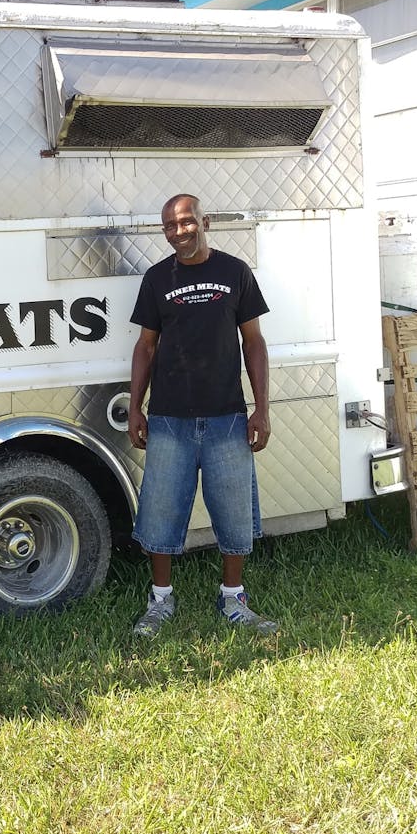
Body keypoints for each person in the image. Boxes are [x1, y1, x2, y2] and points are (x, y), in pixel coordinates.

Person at [127, 193, 276, 637]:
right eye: (170, 226)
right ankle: (160, 602)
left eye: (187, 223)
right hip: (169, 419)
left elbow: (254, 343)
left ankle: (233, 599)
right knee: (160, 511)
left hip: (227, 418)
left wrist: (261, 409)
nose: (180, 232)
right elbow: (146, 346)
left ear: (204, 221)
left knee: (233, 514)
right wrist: (136, 406)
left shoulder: (234, 272)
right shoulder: (156, 279)